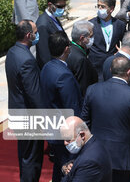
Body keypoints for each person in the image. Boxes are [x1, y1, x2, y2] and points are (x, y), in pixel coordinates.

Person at [82, 56, 130, 182]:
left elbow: (84, 123)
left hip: (96, 155)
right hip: (124, 159)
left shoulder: (92, 90)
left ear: (110, 69)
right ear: (129, 72)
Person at [40, 31, 83, 182]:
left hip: (52, 129)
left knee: (59, 167)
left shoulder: (46, 67)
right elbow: (72, 109)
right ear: (66, 49)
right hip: (65, 134)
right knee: (69, 169)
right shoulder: (64, 75)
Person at [5, 20, 43, 182]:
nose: (37, 34)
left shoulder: (12, 52)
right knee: (32, 160)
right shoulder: (27, 60)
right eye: (35, 31)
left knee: (25, 155)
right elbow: (34, 94)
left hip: (17, 111)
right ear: (29, 35)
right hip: (29, 117)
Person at [60, 116, 112, 182]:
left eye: (68, 139)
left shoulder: (89, 162)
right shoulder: (93, 144)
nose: (65, 143)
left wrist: (69, 174)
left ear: (82, 135)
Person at [88, 0, 126, 82]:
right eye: (98, 6)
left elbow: (125, 43)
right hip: (96, 68)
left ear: (111, 9)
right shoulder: (91, 24)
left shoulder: (119, 25)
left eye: (103, 7)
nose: (100, 9)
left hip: (113, 67)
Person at [36, 0, 68, 69]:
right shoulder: (42, 25)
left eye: (64, 6)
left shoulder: (53, 17)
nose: (63, 9)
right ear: (50, 5)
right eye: (60, 7)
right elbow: (44, 55)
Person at [66, 20, 98, 96]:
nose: (92, 38)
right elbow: (84, 86)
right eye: (90, 36)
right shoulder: (80, 59)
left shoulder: (71, 48)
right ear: (82, 38)